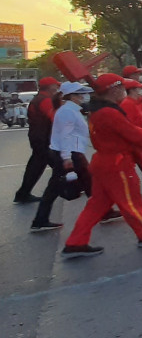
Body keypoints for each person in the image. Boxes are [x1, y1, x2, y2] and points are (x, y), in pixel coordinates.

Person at [61, 73, 142, 258]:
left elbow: (127, 128)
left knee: (96, 206)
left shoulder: (100, 110)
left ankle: (75, 242)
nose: (126, 91)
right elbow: (130, 133)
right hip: (117, 163)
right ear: (114, 90)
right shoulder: (109, 111)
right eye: (123, 87)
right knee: (130, 202)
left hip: (103, 162)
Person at [32, 81, 93, 232]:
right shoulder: (67, 111)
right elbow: (65, 136)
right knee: (86, 184)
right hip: (69, 154)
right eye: (80, 93)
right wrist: (67, 158)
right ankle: (102, 211)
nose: (84, 96)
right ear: (72, 96)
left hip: (71, 153)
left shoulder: (71, 110)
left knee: (56, 187)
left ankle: (40, 219)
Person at [14, 76, 60, 204]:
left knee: (36, 166)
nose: (57, 88)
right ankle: (69, 189)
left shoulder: (38, 98)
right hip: (43, 138)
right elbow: (54, 118)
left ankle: (23, 193)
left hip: (37, 137)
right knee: (59, 166)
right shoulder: (45, 100)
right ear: (51, 87)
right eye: (56, 86)